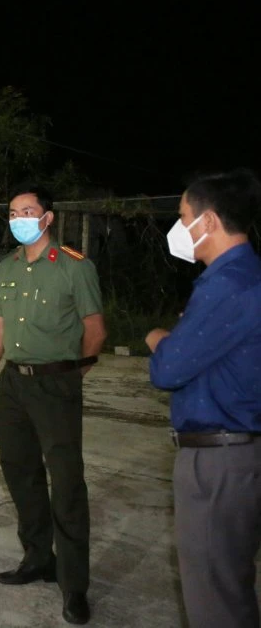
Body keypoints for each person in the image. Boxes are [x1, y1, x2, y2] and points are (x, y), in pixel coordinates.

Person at [0, 184, 106, 625]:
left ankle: (74, 586)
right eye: (13, 212)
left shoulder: (74, 266)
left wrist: (72, 374)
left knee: (66, 484)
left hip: (56, 385)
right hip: (14, 384)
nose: (19, 219)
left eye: (28, 211)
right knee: (20, 472)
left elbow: (95, 330)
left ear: (47, 218)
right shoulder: (8, 267)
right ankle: (37, 558)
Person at [145, 169, 261, 628]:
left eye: (183, 217)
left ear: (208, 221)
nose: (179, 228)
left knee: (214, 600)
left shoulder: (227, 284)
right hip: (238, 452)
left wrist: (159, 339)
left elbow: (168, 369)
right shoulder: (246, 277)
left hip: (220, 461)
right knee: (230, 587)